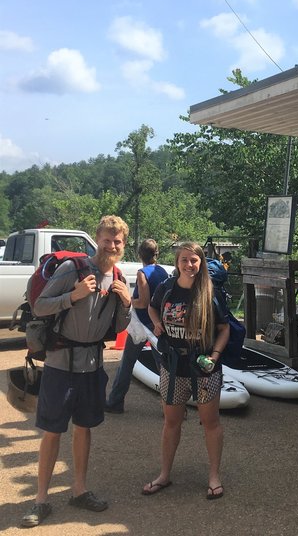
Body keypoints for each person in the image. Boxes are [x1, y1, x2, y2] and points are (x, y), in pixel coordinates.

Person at [20, 215, 133, 528]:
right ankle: (40, 500)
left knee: (85, 427)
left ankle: (79, 491)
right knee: (53, 430)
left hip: (93, 365)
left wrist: (126, 304)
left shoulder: (120, 277)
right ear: (97, 239)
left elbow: (119, 327)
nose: (112, 245)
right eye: (107, 239)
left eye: (118, 241)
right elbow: (40, 306)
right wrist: (74, 295)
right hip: (60, 364)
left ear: (124, 246)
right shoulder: (74, 269)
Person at [142, 242, 230, 500]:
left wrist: (214, 356)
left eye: (194, 260)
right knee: (171, 422)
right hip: (173, 365)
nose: (189, 265)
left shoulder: (210, 292)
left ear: (200, 262)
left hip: (203, 367)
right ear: (177, 262)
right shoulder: (166, 288)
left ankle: (214, 476)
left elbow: (224, 328)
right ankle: (164, 474)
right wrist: (157, 324)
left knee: (210, 422)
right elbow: (152, 306)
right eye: (184, 260)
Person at [105, 238, 169, 414]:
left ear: (139, 254)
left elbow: (143, 302)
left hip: (142, 325)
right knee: (164, 366)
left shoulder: (143, 273)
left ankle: (115, 402)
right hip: (158, 324)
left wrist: (127, 299)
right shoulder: (162, 271)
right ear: (156, 253)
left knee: (127, 363)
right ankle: (172, 406)